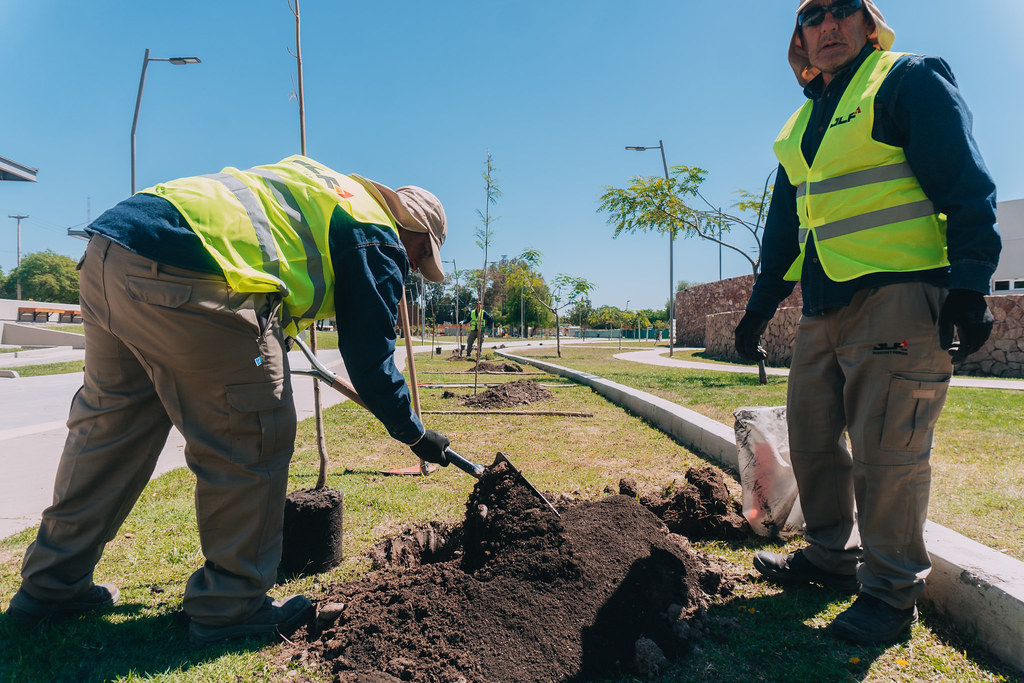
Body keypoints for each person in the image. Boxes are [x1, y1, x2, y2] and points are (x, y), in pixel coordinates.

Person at [6, 155, 456, 646]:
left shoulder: (332, 188)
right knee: (255, 432)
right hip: (189, 272)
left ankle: (51, 584)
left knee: (110, 430)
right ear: (411, 228)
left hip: (112, 251)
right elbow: (371, 359)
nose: (414, 266)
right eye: (419, 254)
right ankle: (233, 608)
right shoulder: (375, 232)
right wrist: (414, 432)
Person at [734, 0, 1000, 646]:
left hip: (900, 296)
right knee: (814, 434)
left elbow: (966, 185)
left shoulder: (906, 81)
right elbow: (781, 235)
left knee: (889, 452)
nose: (828, 25)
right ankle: (832, 554)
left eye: (844, 10)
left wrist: (969, 282)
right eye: (813, 16)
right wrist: (758, 311)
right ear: (800, 37)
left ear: (869, 24)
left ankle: (889, 593)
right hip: (823, 309)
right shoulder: (801, 127)